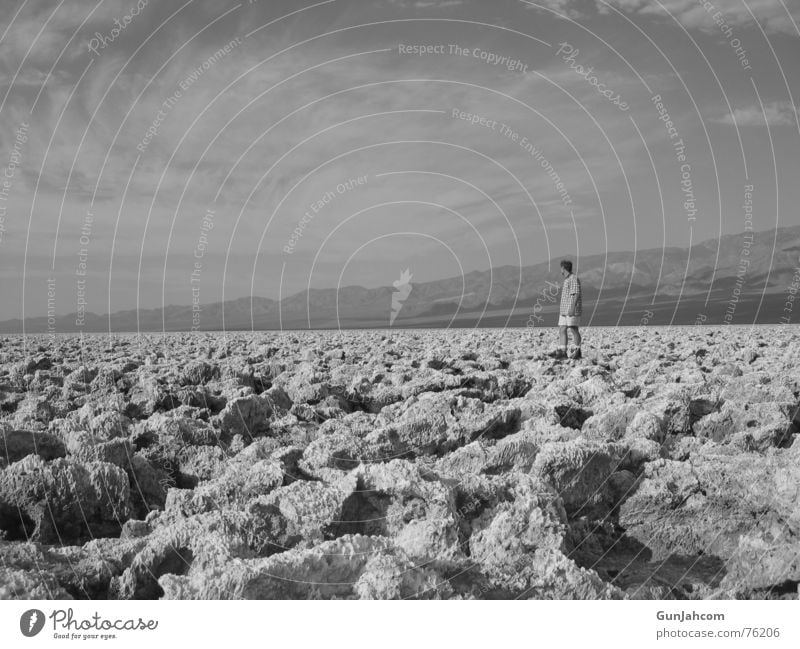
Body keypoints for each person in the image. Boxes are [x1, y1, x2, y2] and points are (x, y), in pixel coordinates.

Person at [555, 259, 582, 360]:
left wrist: (572, 308)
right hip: (564, 310)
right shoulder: (567, 279)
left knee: (573, 329)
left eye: (561, 268)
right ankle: (563, 351)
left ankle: (577, 350)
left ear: (563, 268)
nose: (560, 271)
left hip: (571, 309)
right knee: (562, 329)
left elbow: (576, 293)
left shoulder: (573, 278)